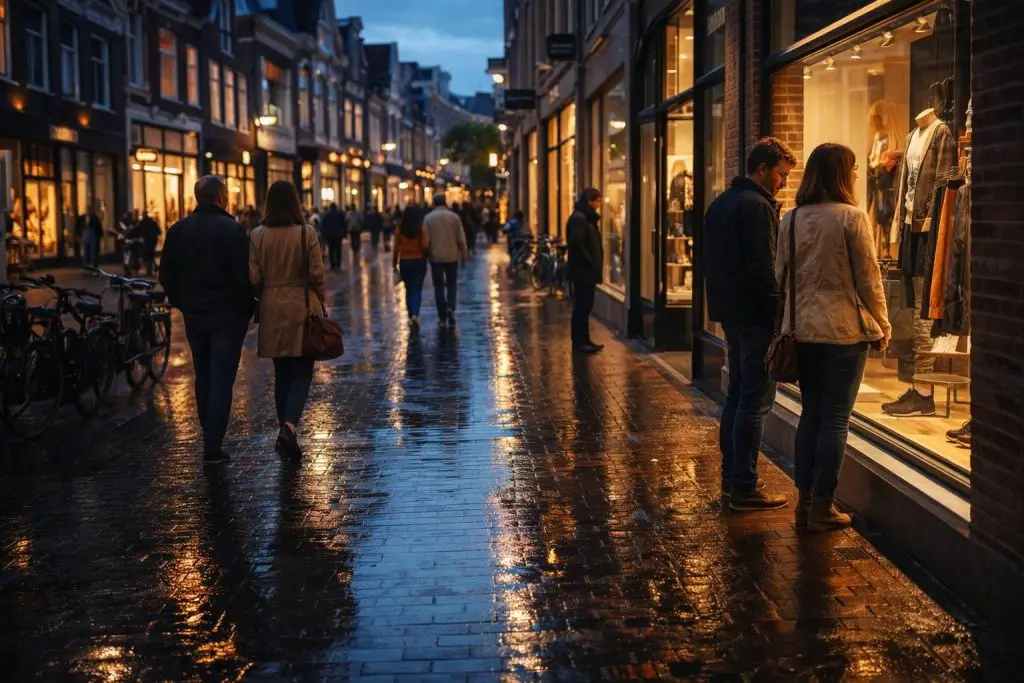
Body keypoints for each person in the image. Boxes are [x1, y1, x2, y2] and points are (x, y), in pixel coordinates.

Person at [777, 143, 891, 531]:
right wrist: (883, 325)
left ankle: (803, 503)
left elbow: (782, 279)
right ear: (842, 174)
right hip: (843, 332)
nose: (858, 174)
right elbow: (869, 281)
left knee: (810, 415)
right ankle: (822, 507)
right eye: (854, 168)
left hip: (802, 331)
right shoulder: (852, 219)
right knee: (836, 420)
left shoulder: (789, 219)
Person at [704, 136, 797, 512]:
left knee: (737, 397)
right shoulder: (757, 207)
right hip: (756, 317)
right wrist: (779, 319)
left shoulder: (720, 204)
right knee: (755, 402)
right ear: (762, 169)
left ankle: (732, 480)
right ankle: (743, 486)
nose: (784, 183)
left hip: (731, 314)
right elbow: (764, 270)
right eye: (781, 174)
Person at [159, 176, 253, 464]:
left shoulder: (178, 230)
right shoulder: (233, 230)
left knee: (204, 374)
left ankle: (208, 433)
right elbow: (242, 277)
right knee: (222, 377)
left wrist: (182, 301)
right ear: (220, 196)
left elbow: (166, 274)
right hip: (227, 314)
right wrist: (245, 309)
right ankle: (213, 441)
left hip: (195, 314)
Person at [249, 181, 326, 460]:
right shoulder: (307, 233)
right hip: (301, 305)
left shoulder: (257, 235)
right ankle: (290, 426)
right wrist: (322, 298)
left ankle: (285, 428)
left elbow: (254, 277)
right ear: (296, 202)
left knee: (281, 371)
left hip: (272, 306)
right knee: (303, 368)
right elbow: (317, 273)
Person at [566, 188, 605, 354]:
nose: (600, 203)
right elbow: (577, 244)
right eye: (597, 200)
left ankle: (584, 339)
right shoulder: (580, 218)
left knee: (585, 305)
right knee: (582, 305)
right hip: (583, 272)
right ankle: (580, 341)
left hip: (586, 271)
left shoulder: (585, 218)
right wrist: (589, 262)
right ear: (590, 200)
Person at [423, 193, 468, 327]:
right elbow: (461, 238)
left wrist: (426, 255)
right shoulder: (454, 217)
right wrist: (464, 254)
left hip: (436, 257)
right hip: (452, 255)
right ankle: (450, 306)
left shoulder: (428, 218)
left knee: (438, 286)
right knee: (452, 283)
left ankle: (442, 315)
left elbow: (425, 240)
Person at [392, 205, 429, 326]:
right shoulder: (420, 230)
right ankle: (415, 314)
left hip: (404, 261)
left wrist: (394, 264)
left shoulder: (399, 230)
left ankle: (410, 315)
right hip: (418, 261)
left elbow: (396, 249)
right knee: (417, 289)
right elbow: (424, 246)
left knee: (408, 289)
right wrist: (426, 254)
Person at [320, 202, 346, 270]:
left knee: (331, 250)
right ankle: (338, 264)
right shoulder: (340, 214)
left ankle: (332, 265)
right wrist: (344, 234)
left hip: (330, 235)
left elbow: (323, 226)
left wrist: (324, 235)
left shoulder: (327, 215)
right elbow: (344, 224)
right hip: (338, 235)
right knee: (338, 250)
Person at [135, 211, 161, 276]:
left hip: (146, 241)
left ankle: (150, 270)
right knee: (150, 255)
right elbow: (159, 231)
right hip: (151, 241)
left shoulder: (142, 223)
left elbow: (138, 232)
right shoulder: (152, 222)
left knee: (147, 255)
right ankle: (152, 268)